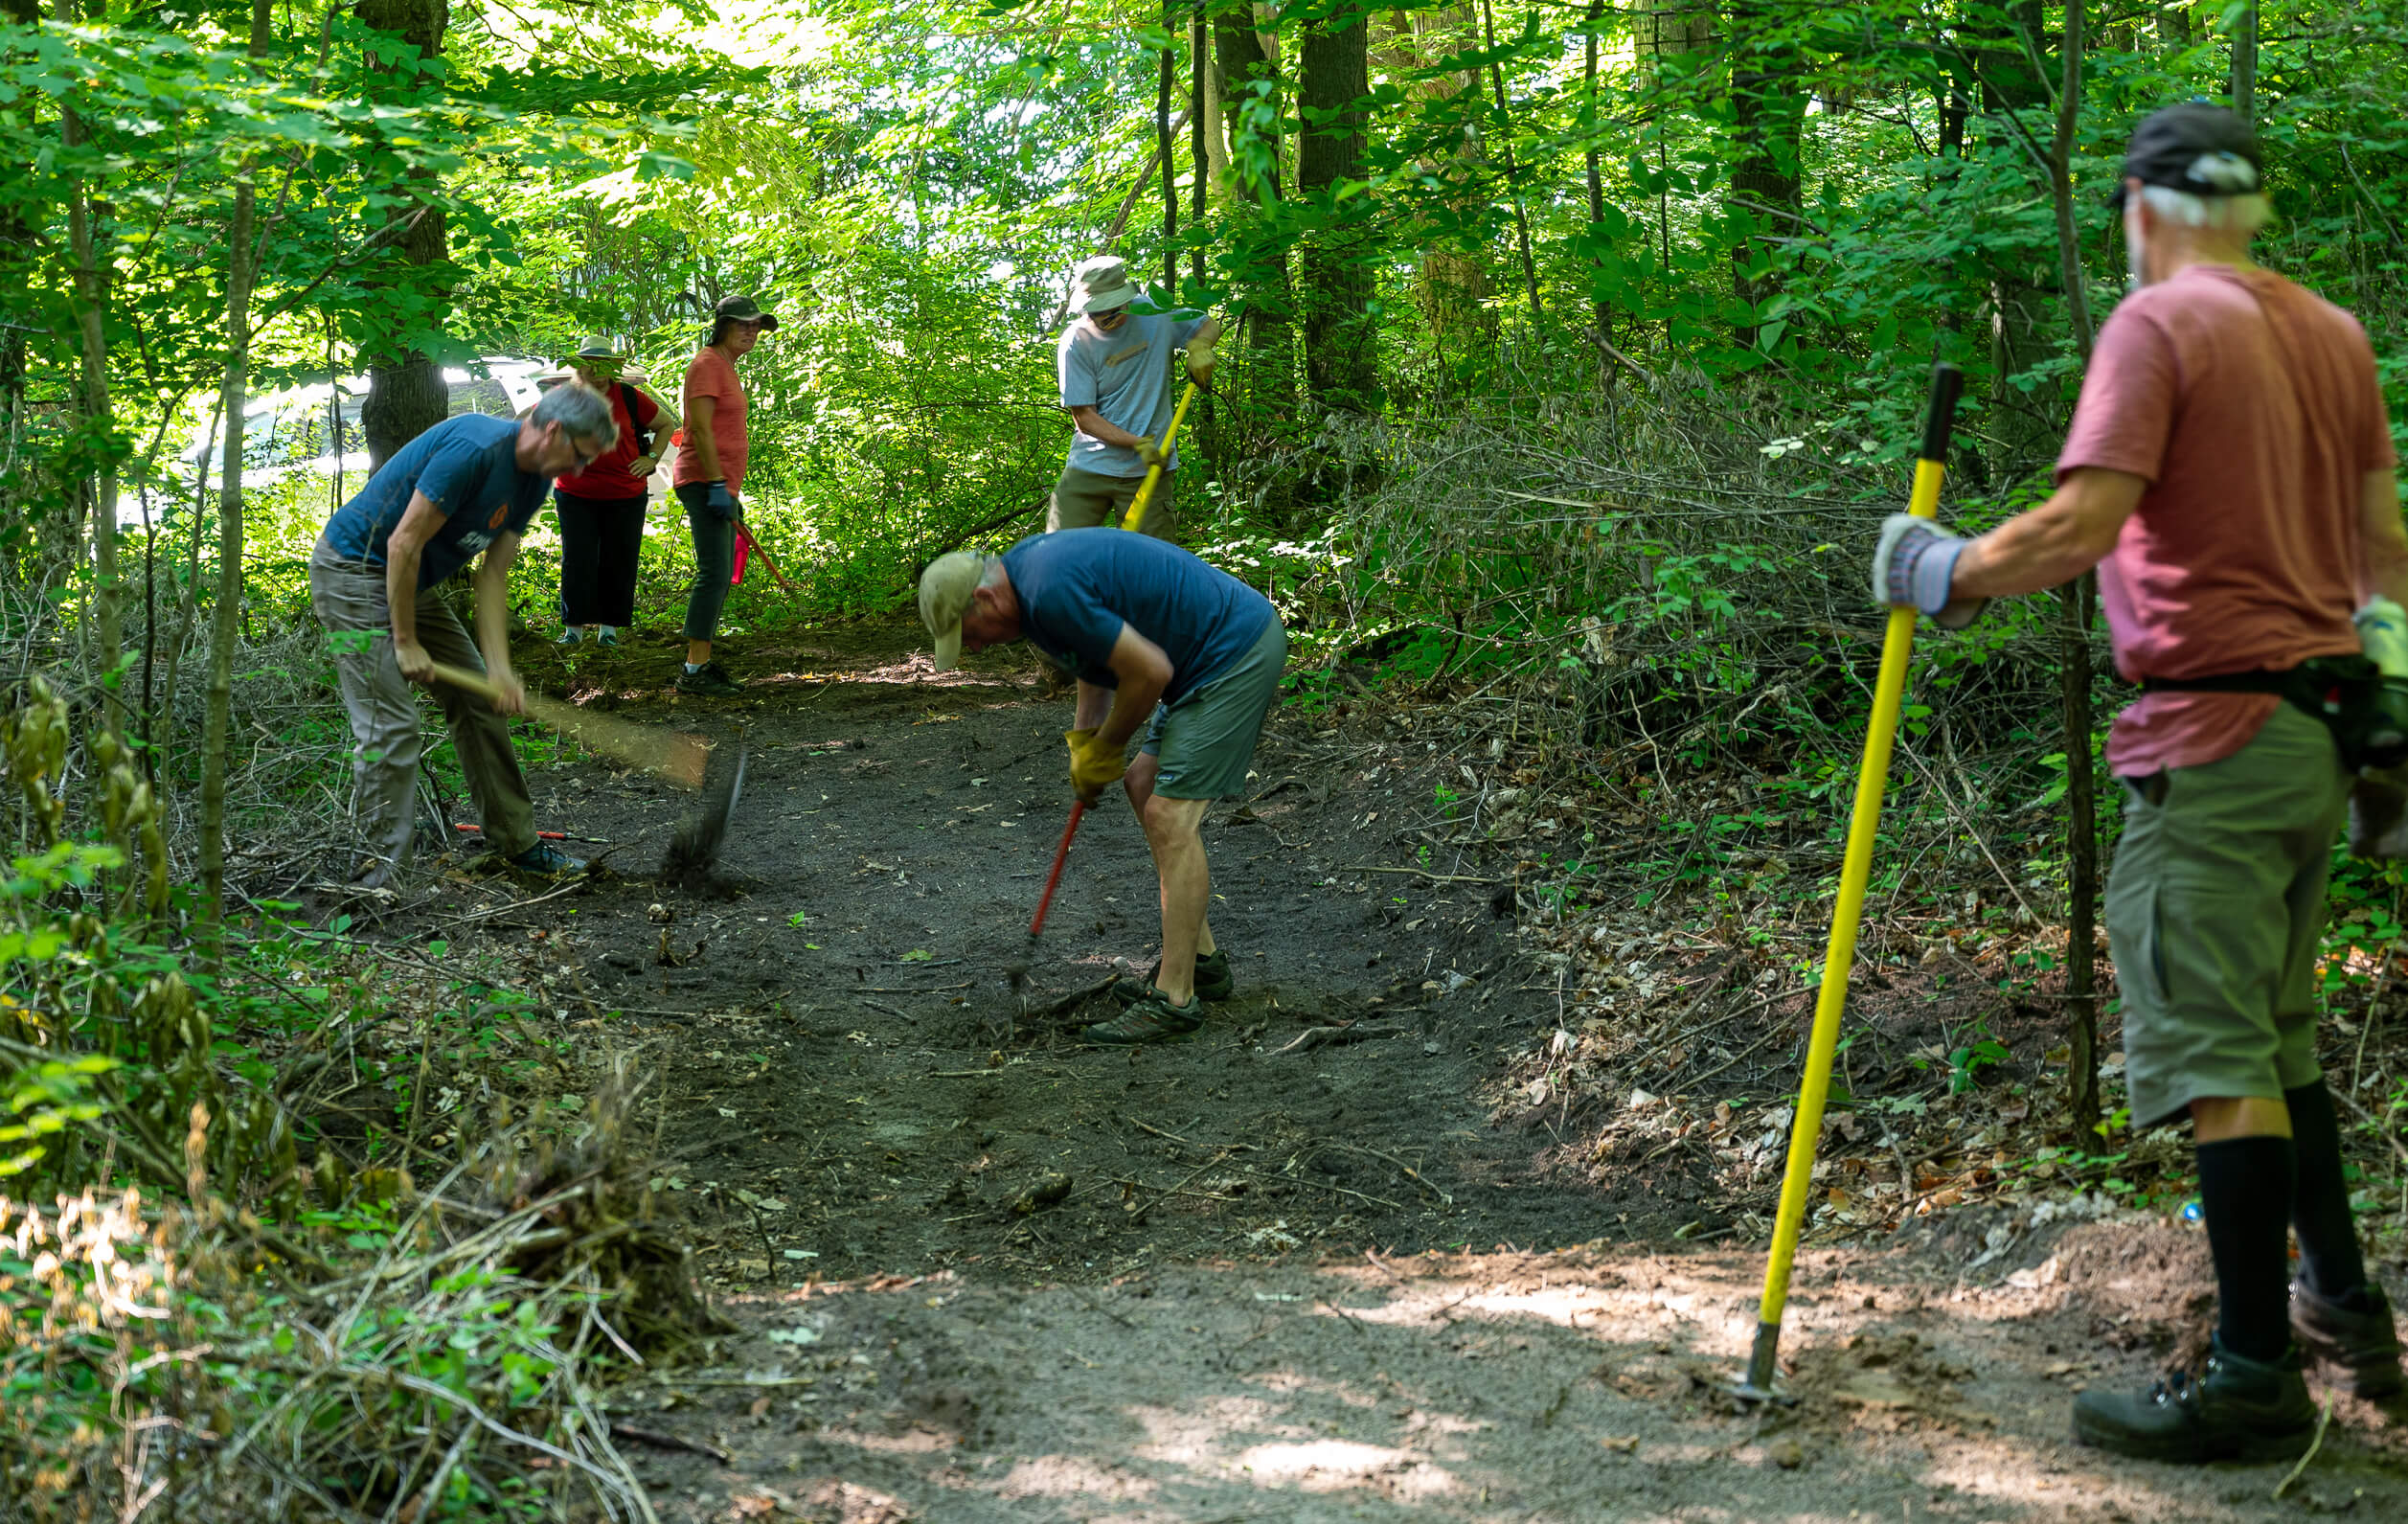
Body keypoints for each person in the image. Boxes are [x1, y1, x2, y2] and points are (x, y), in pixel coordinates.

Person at [1873, 103, 2402, 1461]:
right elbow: (2381, 554)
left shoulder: (2155, 325)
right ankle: (2340, 1306)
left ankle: (2246, 1376)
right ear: (2250, 205)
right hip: (2313, 729)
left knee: (2223, 1052)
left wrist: (1942, 569)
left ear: (2141, 206)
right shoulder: (2330, 333)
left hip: (2211, 744)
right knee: (2276, 1036)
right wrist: (2389, 724)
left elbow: (2082, 523)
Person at [918, 529, 1285, 1044]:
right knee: (1142, 785)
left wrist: (1107, 746)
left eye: (969, 632)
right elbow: (1097, 661)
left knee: (1169, 816)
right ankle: (1201, 963)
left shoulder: (1048, 591)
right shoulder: (1029, 591)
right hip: (1199, 661)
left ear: (983, 598)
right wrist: (1085, 744)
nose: (974, 646)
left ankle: (1174, 998)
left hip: (1232, 652)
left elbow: (1149, 673)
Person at [310, 384, 618, 887]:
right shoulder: (474, 450)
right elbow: (404, 541)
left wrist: (499, 668)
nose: (579, 471)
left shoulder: (534, 480)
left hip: (407, 581)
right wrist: (405, 642)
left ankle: (517, 844)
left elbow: (492, 575)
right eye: (579, 457)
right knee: (391, 727)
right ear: (554, 431)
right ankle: (373, 879)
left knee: (481, 700)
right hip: (350, 572)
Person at [1049, 256, 1220, 542]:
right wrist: (1136, 442)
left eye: (1113, 310)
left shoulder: (1153, 315)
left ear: (1127, 299)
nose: (1105, 319)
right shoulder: (1075, 342)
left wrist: (1200, 345)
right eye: (1096, 312)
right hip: (1089, 467)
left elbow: (1206, 324)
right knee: (1058, 553)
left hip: (1150, 471)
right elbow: (1085, 418)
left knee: (1152, 564)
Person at [672, 294, 776, 696]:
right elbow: (698, 428)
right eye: (743, 324)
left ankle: (700, 664)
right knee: (714, 573)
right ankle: (694, 671)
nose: (751, 332)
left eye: (756, 327)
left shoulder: (726, 367)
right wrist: (715, 483)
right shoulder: (706, 365)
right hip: (703, 480)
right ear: (722, 326)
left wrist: (727, 486)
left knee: (720, 572)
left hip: (718, 483)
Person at [551, 338, 671, 648]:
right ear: (580, 366)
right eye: (591, 363)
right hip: (575, 494)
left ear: (614, 369)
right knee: (578, 560)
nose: (598, 371)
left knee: (619, 559)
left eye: (605, 365)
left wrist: (652, 459)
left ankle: (609, 630)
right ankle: (573, 630)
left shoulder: (630, 397)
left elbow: (665, 424)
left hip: (625, 494)